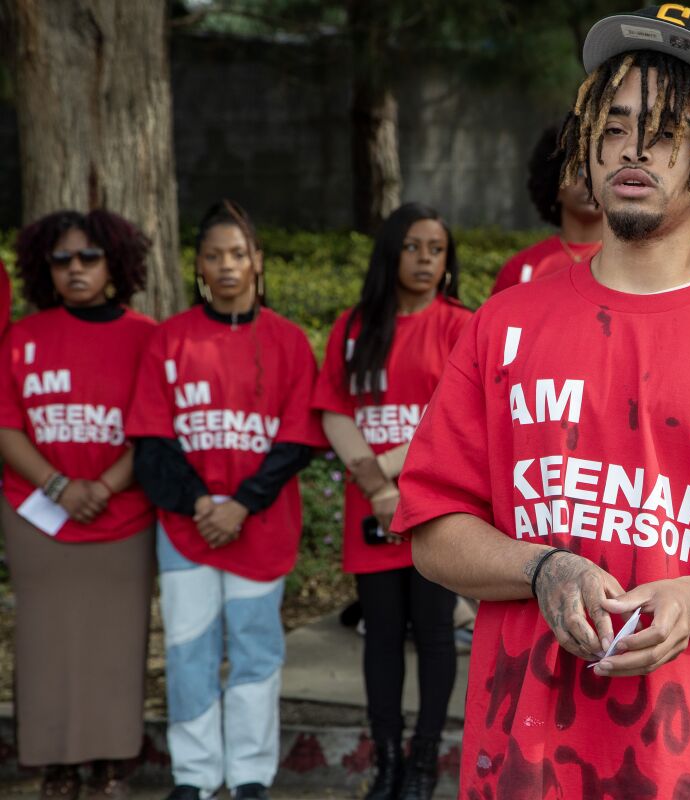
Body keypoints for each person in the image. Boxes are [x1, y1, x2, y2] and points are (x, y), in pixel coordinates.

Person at [395, 7, 690, 797]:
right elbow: (434, 533)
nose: (633, 147)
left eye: (667, 129)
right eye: (613, 126)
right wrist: (540, 567)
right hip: (521, 761)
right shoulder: (503, 323)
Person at [128, 200, 325, 800]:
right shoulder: (170, 339)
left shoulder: (289, 341)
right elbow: (153, 442)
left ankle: (248, 775)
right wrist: (201, 506)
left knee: (254, 652)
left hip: (259, 526)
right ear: (199, 267)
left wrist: (240, 504)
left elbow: (297, 441)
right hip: (187, 528)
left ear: (257, 261)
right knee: (187, 652)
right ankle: (193, 776)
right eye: (213, 256)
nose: (226, 265)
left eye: (237, 254)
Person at [314, 203, 471, 800]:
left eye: (436, 248)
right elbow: (334, 408)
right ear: (390, 252)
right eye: (413, 247)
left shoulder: (461, 325)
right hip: (372, 507)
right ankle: (386, 760)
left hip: (435, 507)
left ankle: (425, 761)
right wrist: (375, 486)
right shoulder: (353, 327)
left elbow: (453, 417)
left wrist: (386, 474)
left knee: (434, 633)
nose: (426, 259)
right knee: (381, 634)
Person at [0, 210, 157, 800]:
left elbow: (152, 429)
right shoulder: (23, 336)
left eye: (88, 257)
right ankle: (55, 764)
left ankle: (111, 762)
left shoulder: (145, 335)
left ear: (114, 263)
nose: (75, 269)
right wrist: (58, 486)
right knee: (45, 639)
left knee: (116, 640)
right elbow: (6, 424)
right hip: (37, 514)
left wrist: (105, 487)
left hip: (124, 515)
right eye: (61, 260)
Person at [489, 119, 603, 295]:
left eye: (598, 169)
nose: (588, 181)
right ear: (553, 184)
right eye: (577, 171)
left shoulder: (633, 263)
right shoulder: (521, 267)